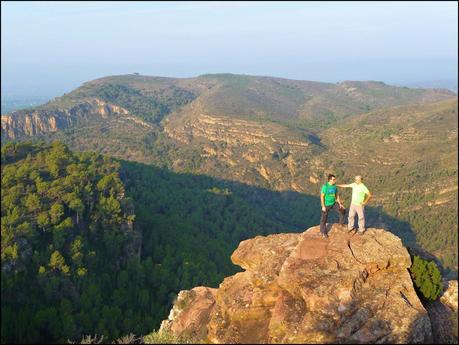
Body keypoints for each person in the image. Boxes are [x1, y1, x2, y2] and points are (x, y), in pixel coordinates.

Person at [320, 174, 346, 239]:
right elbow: (322, 196)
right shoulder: (325, 186)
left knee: (342, 211)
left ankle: (341, 223)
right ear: (330, 180)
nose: (335, 180)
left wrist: (340, 203)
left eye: (335, 179)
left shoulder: (334, 186)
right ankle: (323, 232)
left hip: (334, 203)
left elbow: (337, 195)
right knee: (324, 219)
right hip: (326, 204)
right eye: (334, 179)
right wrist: (323, 206)